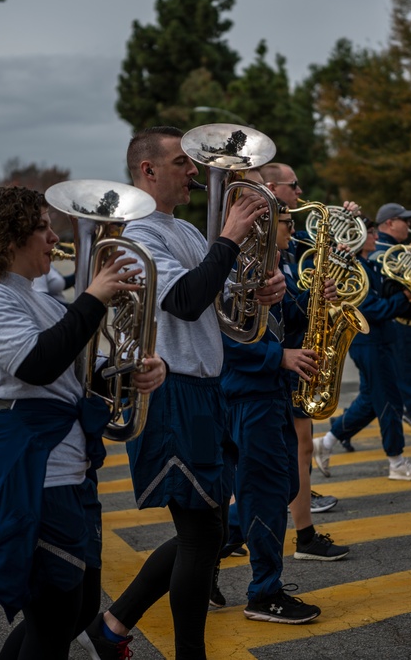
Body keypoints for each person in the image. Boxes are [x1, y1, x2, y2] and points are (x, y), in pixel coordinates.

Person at [84, 126, 285, 660]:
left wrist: (260, 288)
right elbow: (187, 301)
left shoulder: (187, 233)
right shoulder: (138, 235)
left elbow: (219, 304)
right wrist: (233, 235)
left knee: (212, 530)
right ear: (148, 171)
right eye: (182, 163)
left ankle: (114, 623)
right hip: (172, 391)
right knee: (201, 536)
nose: (195, 171)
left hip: (207, 388)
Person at [0, 185, 164, 659]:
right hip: (29, 466)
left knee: (77, 605)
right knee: (54, 611)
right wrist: (92, 298)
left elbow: (78, 377)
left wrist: (139, 371)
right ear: (11, 239)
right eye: (43, 228)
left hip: (64, 466)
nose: (54, 238)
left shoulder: (41, 300)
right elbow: (37, 364)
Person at [217, 184, 337, 623]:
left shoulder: (271, 264)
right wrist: (279, 357)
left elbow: (288, 321)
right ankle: (263, 593)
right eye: (285, 221)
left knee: (281, 486)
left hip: (268, 393)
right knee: (267, 493)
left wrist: (315, 301)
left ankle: (205, 558)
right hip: (248, 395)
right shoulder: (229, 267)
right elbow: (222, 340)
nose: (291, 228)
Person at [260, 162, 346, 561]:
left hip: (294, 362)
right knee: (272, 473)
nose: (300, 191)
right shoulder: (258, 254)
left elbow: (294, 308)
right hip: (273, 369)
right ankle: (220, 545)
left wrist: (322, 300)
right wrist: (280, 355)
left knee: (295, 458)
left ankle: (304, 534)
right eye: (294, 186)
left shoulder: (288, 246)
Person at [314, 218, 411, 481]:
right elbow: (374, 308)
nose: (374, 237)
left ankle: (326, 442)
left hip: (380, 340)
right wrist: (406, 297)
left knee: (371, 401)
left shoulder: (371, 264)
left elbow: (384, 298)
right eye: (371, 233)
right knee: (389, 401)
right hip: (369, 341)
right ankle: (396, 461)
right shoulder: (354, 269)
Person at [372, 202, 411, 436]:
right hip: (403, 325)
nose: (409, 225)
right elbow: (397, 290)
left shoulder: (397, 250)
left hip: (409, 324)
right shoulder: (384, 253)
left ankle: (332, 437)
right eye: (404, 220)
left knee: (380, 393)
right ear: (390, 223)